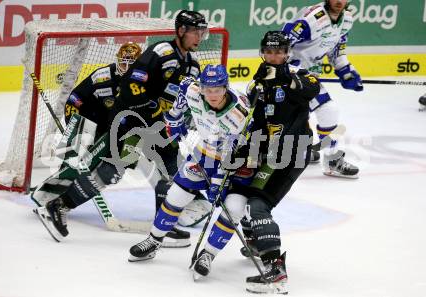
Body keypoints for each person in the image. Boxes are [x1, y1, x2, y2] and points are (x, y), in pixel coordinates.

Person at [34, 10, 210, 246]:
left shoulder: (192, 65)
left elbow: (181, 100)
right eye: (195, 32)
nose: (199, 36)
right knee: (112, 171)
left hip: (157, 127)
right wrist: (153, 112)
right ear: (181, 31)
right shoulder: (160, 53)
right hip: (132, 122)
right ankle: (59, 205)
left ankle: (163, 225)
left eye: (202, 32)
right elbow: (132, 86)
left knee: (171, 167)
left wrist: (182, 118)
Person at [127, 65, 252, 281]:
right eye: (207, 89)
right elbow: (179, 101)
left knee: (232, 209)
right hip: (204, 153)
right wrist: (174, 121)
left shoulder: (238, 115)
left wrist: (217, 182)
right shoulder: (192, 90)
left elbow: (229, 154)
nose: (212, 94)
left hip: (237, 160)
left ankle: (209, 255)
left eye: (217, 89)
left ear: (226, 88)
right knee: (176, 195)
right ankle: (155, 240)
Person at [237, 31, 320, 294]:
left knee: (258, 203)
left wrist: (284, 78)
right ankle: (254, 238)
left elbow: (312, 88)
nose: (274, 56)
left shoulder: (298, 72)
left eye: (279, 51)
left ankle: (275, 268)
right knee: (240, 187)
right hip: (270, 152)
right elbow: (256, 123)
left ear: (287, 53)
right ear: (263, 52)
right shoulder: (257, 84)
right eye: (269, 51)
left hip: (293, 151)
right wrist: (249, 155)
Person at [281, 0, 361, 178]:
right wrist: (291, 67)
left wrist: (346, 71)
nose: (339, 1)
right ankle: (332, 161)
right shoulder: (313, 18)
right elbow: (280, 43)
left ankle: (300, 150)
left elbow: (336, 51)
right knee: (328, 109)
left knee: (301, 114)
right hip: (291, 75)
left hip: (308, 75)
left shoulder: (346, 19)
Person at [63, 42, 142, 137]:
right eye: (123, 64)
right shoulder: (102, 76)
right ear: (118, 61)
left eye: (131, 65)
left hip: (111, 119)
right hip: (91, 118)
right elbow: (74, 97)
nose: (126, 69)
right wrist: (74, 126)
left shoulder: (143, 79)